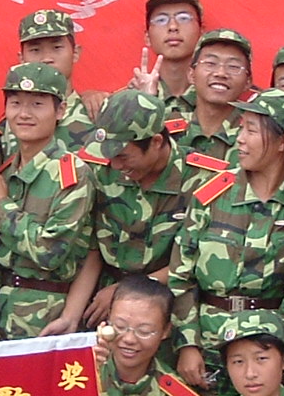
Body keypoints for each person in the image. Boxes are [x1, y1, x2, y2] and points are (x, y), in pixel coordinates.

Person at [170, 89, 284, 387]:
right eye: (241, 128)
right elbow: (181, 275)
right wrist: (187, 344)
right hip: (208, 347)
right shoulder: (213, 193)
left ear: (283, 142)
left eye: (251, 130)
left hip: (268, 353)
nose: (240, 139)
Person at [0, 63, 93, 339]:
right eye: (15, 103)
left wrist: (1, 205)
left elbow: (49, 252)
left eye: (37, 104)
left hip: (46, 312)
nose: (24, 114)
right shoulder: (6, 170)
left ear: (60, 111)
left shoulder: (71, 174)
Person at [78, 90, 200, 328]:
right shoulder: (102, 170)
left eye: (123, 156)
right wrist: (71, 316)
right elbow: (93, 246)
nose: (115, 165)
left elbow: (196, 257)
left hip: (172, 303)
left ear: (156, 142)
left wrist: (126, 291)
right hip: (105, 301)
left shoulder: (200, 179)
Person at [13, 8, 104, 149]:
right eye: (35, 50)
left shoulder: (98, 113)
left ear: (75, 53)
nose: (46, 59)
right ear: (22, 59)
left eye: (56, 47)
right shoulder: (11, 124)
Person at [174, 29, 256, 163]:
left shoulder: (254, 139)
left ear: (248, 82)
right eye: (210, 64)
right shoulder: (167, 128)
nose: (221, 73)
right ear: (191, 74)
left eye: (233, 66)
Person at [131, 0, 204, 103]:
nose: (173, 27)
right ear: (147, 37)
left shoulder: (218, 97)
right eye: (161, 20)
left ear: (201, 33)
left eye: (183, 18)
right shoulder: (126, 102)